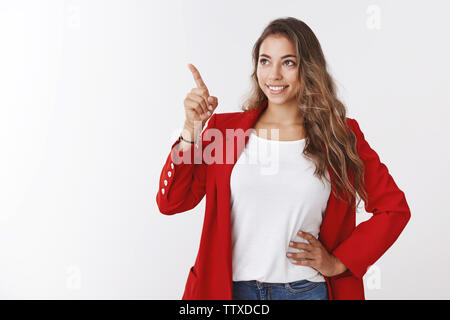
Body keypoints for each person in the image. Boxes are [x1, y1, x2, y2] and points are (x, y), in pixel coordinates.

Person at [156, 17, 411, 300]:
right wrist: (192, 128)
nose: (274, 74)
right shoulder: (226, 131)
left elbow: (394, 209)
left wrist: (338, 262)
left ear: (308, 69)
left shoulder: (340, 135)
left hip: (306, 291)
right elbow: (171, 202)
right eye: (265, 61)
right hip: (231, 292)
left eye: (288, 62)